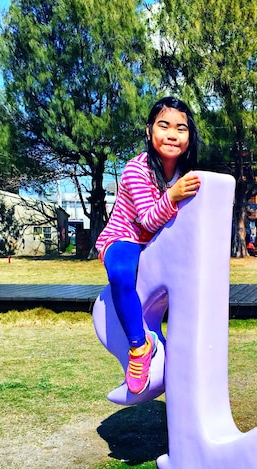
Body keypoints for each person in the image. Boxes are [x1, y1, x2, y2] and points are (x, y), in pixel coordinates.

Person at [95, 96, 201, 394]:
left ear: (189, 135)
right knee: (119, 272)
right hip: (127, 236)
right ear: (148, 130)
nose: (172, 134)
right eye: (163, 125)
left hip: (161, 243)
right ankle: (138, 346)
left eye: (181, 128)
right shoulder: (135, 169)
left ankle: (184, 351)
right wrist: (174, 195)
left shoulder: (187, 172)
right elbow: (147, 220)